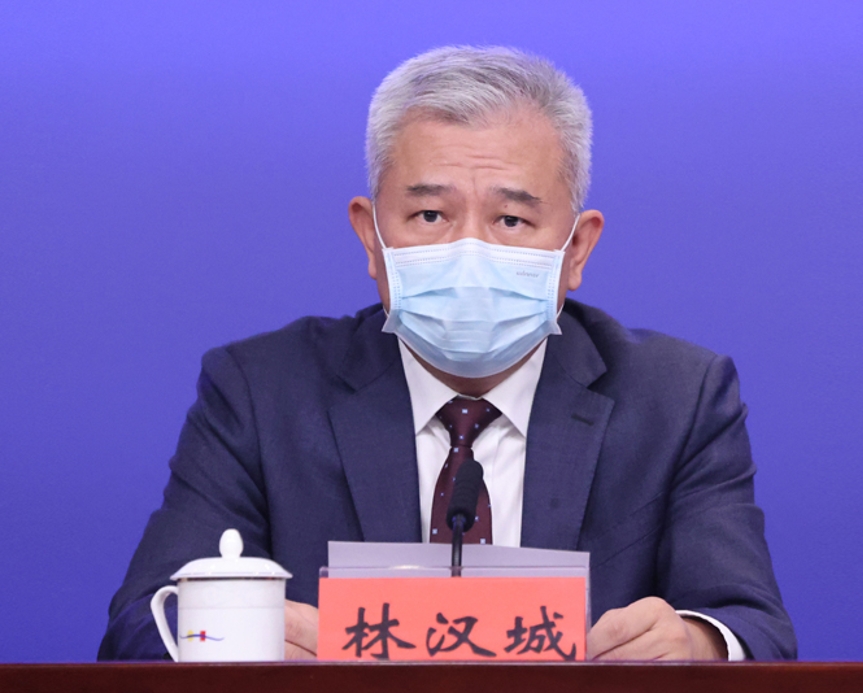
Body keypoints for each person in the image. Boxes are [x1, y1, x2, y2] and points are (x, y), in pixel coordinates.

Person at [99, 46, 796, 662]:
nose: (470, 252)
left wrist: (696, 644)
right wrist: (230, 636)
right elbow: (140, 625)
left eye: (511, 219)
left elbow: (753, 629)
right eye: (430, 215)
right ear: (371, 238)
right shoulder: (261, 393)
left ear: (577, 249)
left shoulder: (676, 398)